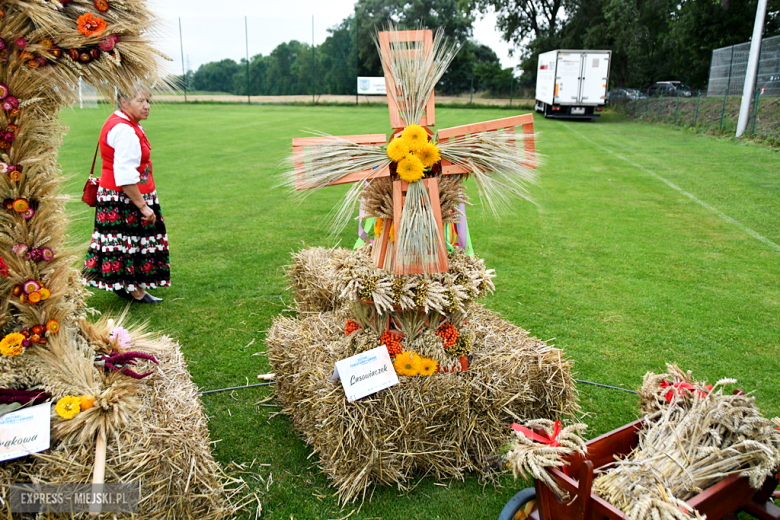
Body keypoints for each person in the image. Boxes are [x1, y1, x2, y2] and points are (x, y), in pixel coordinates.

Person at [82, 85, 170, 303]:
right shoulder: (124, 129)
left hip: (119, 195)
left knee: (125, 242)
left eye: (148, 101)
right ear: (123, 102)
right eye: (140, 100)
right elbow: (125, 176)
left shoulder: (124, 123)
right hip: (124, 198)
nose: (147, 106)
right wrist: (143, 206)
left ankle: (127, 285)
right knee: (129, 242)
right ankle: (135, 291)